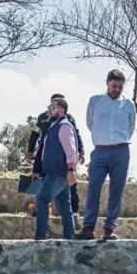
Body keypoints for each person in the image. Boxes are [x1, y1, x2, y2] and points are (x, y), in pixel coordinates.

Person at [80, 70, 137, 241]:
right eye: (114, 86)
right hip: (100, 151)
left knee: (116, 190)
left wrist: (118, 141)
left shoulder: (128, 104)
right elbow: (90, 123)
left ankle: (109, 229)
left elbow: (131, 127)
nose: (116, 89)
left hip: (121, 151)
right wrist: (102, 138)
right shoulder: (95, 101)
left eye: (120, 87)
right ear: (107, 83)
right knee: (94, 188)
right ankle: (88, 228)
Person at [28, 93, 86, 223]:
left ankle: (74, 210)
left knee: (70, 185)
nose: (56, 107)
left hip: (64, 157)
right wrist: (30, 150)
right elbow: (34, 133)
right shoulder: (41, 118)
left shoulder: (69, 119)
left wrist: (81, 150)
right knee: (42, 182)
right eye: (54, 104)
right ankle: (38, 209)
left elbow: (76, 134)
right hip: (45, 154)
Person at [34, 98, 79, 241]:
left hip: (58, 172)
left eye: (52, 107)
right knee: (65, 206)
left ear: (60, 109)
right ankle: (69, 237)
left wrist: (71, 169)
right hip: (56, 172)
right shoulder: (54, 126)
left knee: (41, 199)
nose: (49, 110)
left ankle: (40, 237)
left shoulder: (64, 126)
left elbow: (71, 149)